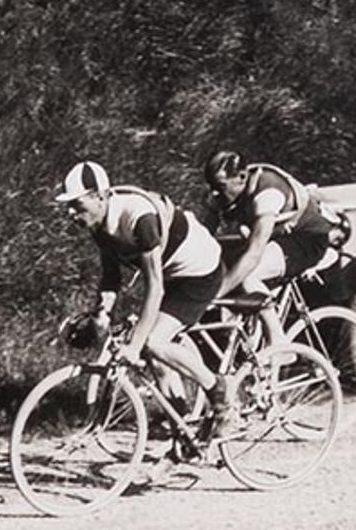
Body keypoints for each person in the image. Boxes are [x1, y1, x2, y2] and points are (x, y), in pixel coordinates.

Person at [54, 159, 232, 420]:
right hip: (172, 272)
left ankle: (218, 390)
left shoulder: (139, 217)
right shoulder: (99, 223)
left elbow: (155, 288)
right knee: (156, 359)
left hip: (199, 272)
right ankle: (181, 425)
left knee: (152, 341)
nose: (71, 213)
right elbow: (111, 278)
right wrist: (102, 313)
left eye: (77, 205)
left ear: (100, 196)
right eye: (69, 206)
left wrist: (135, 345)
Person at [206, 150, 340, 297]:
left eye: (220, 186)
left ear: (242, 177)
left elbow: (254, 254)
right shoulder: (221, 192)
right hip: (277, 236)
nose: (214, 193)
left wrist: (215, 294)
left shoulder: (268, 195)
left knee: (247, 278)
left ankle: (270, 319)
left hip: (307, 239)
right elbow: (205, 237)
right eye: (211, 186)